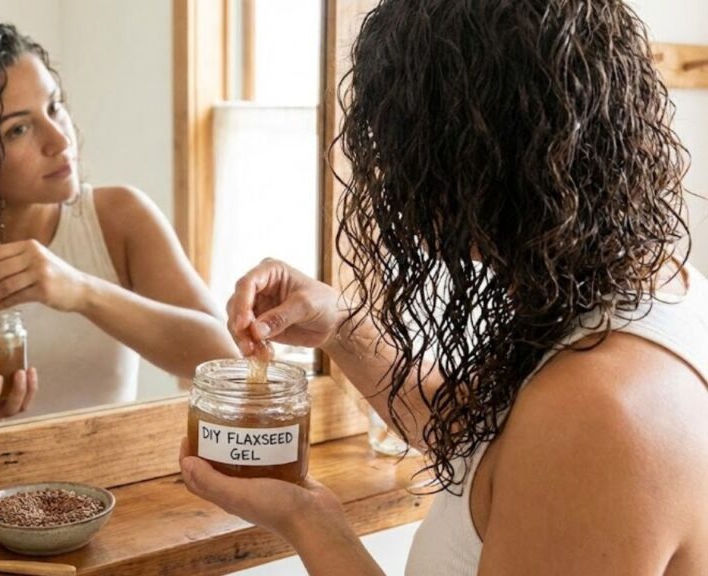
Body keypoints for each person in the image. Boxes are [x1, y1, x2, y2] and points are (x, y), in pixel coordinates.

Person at [180, 1, 708, 574]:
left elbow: (558, 444)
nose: (390, 182)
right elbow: (485, 443)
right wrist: (340, 325)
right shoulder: (658, 287)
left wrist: (309, 522)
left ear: (472, 160)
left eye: (397, 149)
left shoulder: (596, 415)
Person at [0, 17, 238, 441]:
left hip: (109, 480)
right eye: (19, 129)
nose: (60, 140)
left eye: (54, 106)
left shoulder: (119, 219)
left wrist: (81, 290)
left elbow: (226, 360)